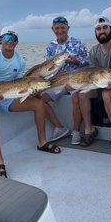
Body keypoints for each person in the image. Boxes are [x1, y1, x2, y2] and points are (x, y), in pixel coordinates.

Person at [0, 27, 61, 178]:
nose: (11, 41)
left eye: (14, 38)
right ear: (0, 40)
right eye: (8, 37)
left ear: (17, 42)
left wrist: (32, 90)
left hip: (8, 97)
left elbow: (22, 82)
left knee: (39, 104)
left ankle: (42, 143)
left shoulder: (20, 60)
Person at [79, 16, 111, 148]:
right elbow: (91, 75)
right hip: (99, 84)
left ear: (110, 29)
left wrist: (110, 85)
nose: (102, 31)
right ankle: (89, 130)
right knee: (81, 94)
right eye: (98, 29)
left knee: (107, 94)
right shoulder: (93, 51)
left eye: (104, 28)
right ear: (95, 32)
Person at [42, 16, 89, 145]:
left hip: (75, 80)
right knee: (40, 99)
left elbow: (88, 62)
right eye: (57, 28)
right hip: (58, 82)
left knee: (76, 99)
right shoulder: (50, 47)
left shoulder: (77, 43)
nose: (60, 30)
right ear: (53, 29)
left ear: (68, 28)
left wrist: (77, 61)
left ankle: (76, 132)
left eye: (62, 27)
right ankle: (59, 127)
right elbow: (47, 69)